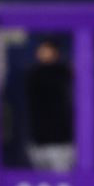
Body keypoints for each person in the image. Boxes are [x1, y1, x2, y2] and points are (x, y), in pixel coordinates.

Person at [25, 39, 74, 172]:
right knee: (40, 182)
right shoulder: (33, 74)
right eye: (41, 50)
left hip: (61, 141)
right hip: (38, 140)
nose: (44, 53)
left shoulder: (63, 73)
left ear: (56, 53)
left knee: (62, 181)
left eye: (47, 50)